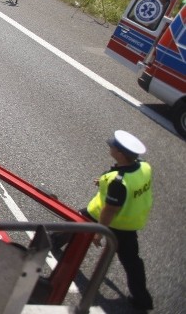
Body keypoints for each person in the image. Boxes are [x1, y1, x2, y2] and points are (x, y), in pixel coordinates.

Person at [55, 131, 154, 311]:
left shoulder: (118, 182)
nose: (110, 148)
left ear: (120, 154)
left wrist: (100, 232)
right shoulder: (143, 167)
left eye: (112, 147)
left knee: (74, 224)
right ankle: (142, 299)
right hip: (130, 224)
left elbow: (109, 210)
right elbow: (125, 179)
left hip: (104, 217)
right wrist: (102, 181)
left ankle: (51, 242)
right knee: (132, 262)